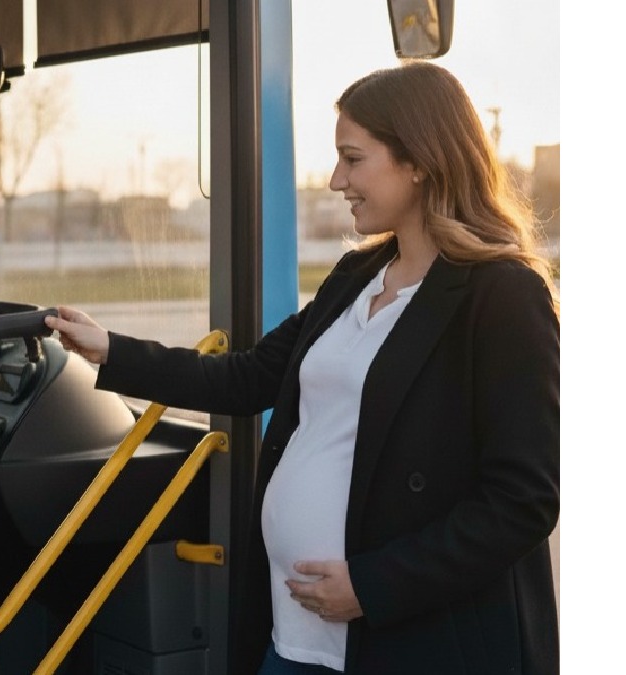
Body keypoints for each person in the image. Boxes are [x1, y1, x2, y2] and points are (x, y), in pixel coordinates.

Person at [45, 61, 559, 675]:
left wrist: (372, 586)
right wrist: (111, 349)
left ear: (419, 161)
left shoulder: (501, 293)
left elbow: (522, 500)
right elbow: (248, 376)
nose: (337, 179)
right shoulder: (356, 276)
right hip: (295, 632)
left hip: (405, 639)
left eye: (353, 158)